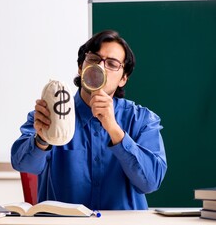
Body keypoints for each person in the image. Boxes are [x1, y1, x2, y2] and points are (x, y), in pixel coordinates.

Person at [11, 30, 167, 210]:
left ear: (123, 78)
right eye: (94, 59)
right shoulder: (50, 113)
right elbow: (23, 165)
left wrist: (114, 130)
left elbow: (151, 182)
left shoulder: (142, 120)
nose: (100, 68)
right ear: (81, 67)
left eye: (112, 63)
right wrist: (42, 138)